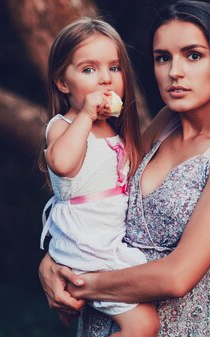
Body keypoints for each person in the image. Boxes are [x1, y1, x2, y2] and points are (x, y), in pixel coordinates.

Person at [39, 1, 210, 336]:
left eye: (194, 55)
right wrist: (52, 262)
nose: (175, 72)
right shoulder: (165, 123)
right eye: (163, 58)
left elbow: (177, 277)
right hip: (105, 320)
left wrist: (80, 282)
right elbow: (95, 192)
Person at [39, 17, 159, 337]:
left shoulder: (115, 132)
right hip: (87, 249)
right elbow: (63, 163)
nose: (105, 79)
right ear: (63, 83)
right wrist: (86, 115)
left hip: (107, 246)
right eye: (89, 70)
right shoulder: (63, 126)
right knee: (144, 325)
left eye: (114, 68)